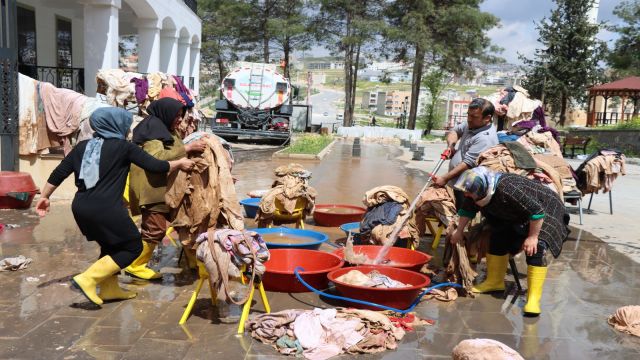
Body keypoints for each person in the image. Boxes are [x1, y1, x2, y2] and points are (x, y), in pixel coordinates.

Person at [35, 107, 194, 306]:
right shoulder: (123, 147)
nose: (128, 129)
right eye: (126, 125)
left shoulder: (83, 146)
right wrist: (180, 163)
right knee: (132, 246)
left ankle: (110, 289)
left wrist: (45, 196)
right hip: (107, 209)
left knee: (111, 245)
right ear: (116, 125)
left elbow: (59, 173)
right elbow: (156, 166)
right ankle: (88, 279)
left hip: (81, 207)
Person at [450, 167, 569, 316]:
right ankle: (495, 282)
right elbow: (467, 210)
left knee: (536, 248)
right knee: (498, 236)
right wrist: (459, 231)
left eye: (469, 192)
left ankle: (533, 299)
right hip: (519, 213)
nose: (466, 194)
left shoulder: (507, 188)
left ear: (482, 189)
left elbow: (537, 212)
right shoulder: (477, 191)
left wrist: (532, 237)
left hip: (546, 210)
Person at [125, 97, 206, 279]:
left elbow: (175, 150)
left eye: (181, 115)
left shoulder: (167, 128)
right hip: (152, 188)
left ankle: (194, 261)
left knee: (185, 222)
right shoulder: (152, 129)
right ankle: (135, 265)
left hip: (166, 187)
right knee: (155, 228)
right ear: (166, 112)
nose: (179, 119)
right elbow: (157, 156)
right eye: (177, 115)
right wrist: (189, 147)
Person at [433, 98, 498, 204]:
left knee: (463, 212)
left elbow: (468, 163)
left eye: (474, 117)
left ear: (487, 118)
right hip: (457, 182)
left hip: (468, 187)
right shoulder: (472, 124)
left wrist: (444, 178)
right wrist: (451, 146)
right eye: (468, 115)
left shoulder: (485, 138)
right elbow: (455, 131)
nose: (469, 119)